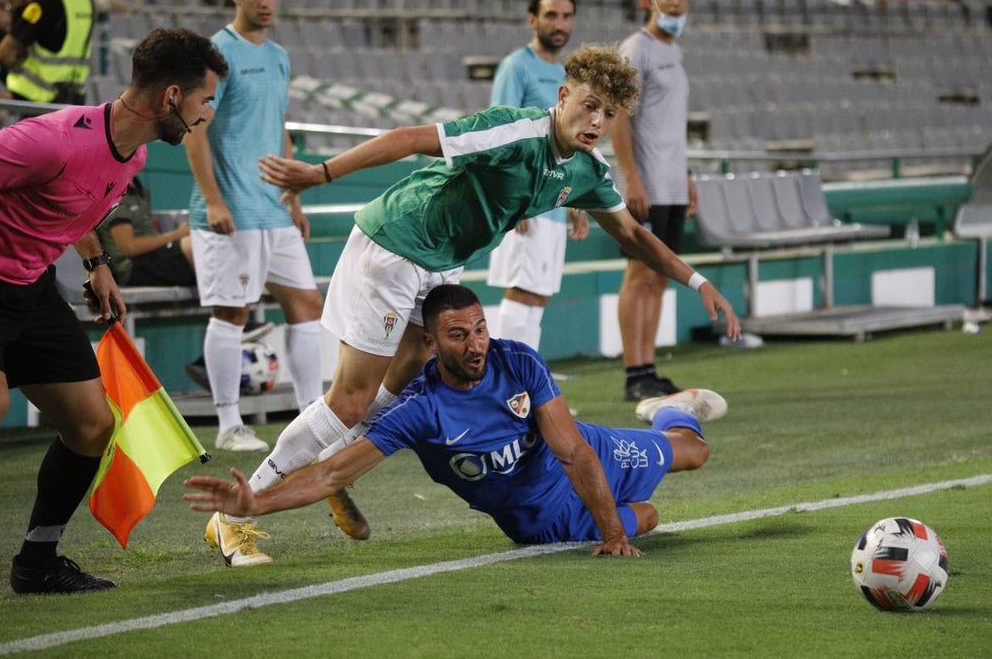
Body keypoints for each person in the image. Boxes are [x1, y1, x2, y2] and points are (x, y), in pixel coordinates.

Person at [199, 43, 742, 567]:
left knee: (403, 378)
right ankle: (238, 512)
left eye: (609, 111)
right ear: (563, 94)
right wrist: (320, 174)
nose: (597, 119)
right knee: (350, 401)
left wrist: (696, 281)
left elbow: (633, 236)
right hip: (395, 242)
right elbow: (412, 137)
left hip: (441, 262)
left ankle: (331, 464)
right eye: (589, 104)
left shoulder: (586, 168)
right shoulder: (516, 129)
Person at [184, 285, 721, 557]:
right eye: (459, 335)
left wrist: (610, 534)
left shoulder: (518, 361)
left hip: (582, 452)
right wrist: (258, 501)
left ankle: (673, 408)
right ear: (431, 343)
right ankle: (664, 426)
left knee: (693, 454)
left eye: (480, 329)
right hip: (538, 516)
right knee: (646, 516)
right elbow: (331, 474)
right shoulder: (420, 410)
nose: (476, 344)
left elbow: (575, 452)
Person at [0, 26, 228, 594]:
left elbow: (80, 203)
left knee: (92, 425)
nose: (205, 112)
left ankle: (36, 564)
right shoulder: (53, 139)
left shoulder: (132, 152)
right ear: (171, 97)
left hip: (32, 289)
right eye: (203, 99)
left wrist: (97, 264)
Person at [183, 0, 327, 454]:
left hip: (273, 207)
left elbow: (280, 126)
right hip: (230, 211)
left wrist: (294, 195)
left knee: (307, 306)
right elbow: (193, 132)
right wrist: (212, 200)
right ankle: (229, 423)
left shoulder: (280, 55)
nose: (266, 2)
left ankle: (313, 420)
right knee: (232, 312)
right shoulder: (215, 54)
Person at [486, 0, 589, 352]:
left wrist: (574, 201)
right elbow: (499, 134)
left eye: (566, 16)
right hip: (525, 200)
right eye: (550, 15)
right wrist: (514, 199)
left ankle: (524, 383)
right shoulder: (516, 67)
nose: (560, 23)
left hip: (553, 199)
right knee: (522, 291)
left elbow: (567, 141)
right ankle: (504, 382)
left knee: (540, 294)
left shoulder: (568, 74)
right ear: (533, 20)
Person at [612, 0, 697, 403]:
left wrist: (686, 177)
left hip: (671, 186)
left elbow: (670, 127)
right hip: (645, 185)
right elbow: (619, 115)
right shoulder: (636, 49)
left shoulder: (674, 52)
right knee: (639, 274)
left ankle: (649, 367)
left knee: (661, 277)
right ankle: (634, 371)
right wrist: (631, 177)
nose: (676, 1)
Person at [95, 176, 194, 287]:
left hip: (156, 255)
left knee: (202, 241)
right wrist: (178, 234)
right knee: (193, 246)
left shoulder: (141, 190)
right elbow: (129, 247)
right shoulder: (114, 192)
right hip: (133, 267)